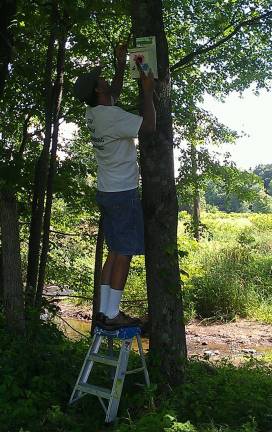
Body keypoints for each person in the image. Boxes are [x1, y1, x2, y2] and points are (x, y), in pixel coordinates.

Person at [74, 44, 156, 330]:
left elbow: (114, 94)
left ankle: (105, 311)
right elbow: (148, 127)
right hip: (122, 193)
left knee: (114, 251)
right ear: (99, 91)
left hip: (107, 191)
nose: (105, 79)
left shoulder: (95, 113)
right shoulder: (110, 116)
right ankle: (112, 315)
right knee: (123, 253)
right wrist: (147, 90)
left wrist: (121, 64)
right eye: (101, 80)